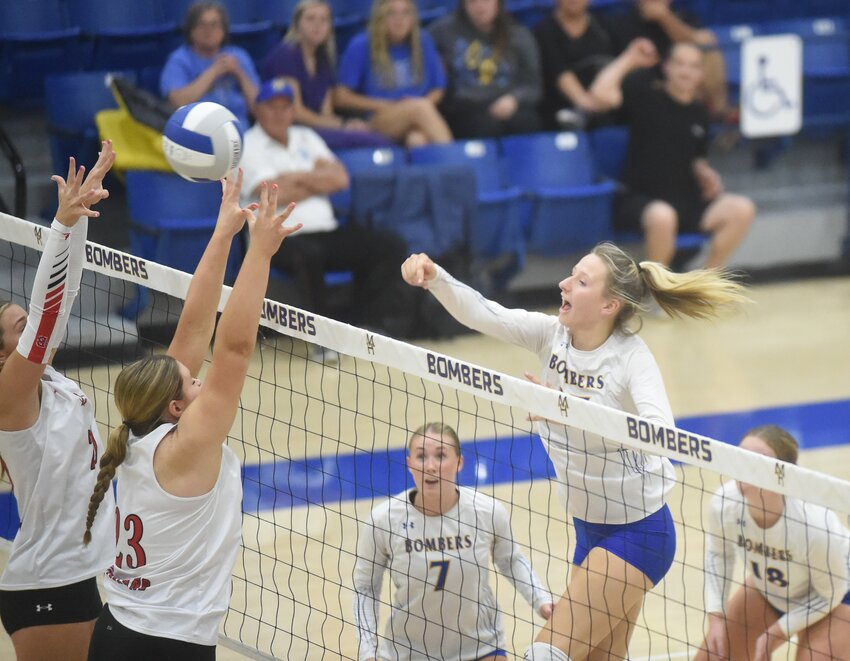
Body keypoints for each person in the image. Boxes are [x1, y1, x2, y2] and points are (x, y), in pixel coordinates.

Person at [400, 243, 749, 661]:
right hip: (589, 531)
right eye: (571, 273)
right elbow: (483, 313)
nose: (564, 283)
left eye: (582, 281)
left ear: (609, 305)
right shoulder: (551, 336)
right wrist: (434, 276)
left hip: (638, 534)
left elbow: (662, 435)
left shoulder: (630, 359)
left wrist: (568, 412)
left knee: (545, 652)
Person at [83, 171, 300, 659]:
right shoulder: (189, 445)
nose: (200, 377)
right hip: (167, 645)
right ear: (176, 407)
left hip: (116, 627)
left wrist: (223, 233)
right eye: (193, 382)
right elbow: (237, 349)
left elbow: (195, 325)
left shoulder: (146, 431)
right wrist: (260, 253)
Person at [0, 143, 115, 660]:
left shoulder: (50, 382)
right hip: (48, 582)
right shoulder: (9, 397)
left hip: (74, 570)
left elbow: (61, 299)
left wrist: (81, 217)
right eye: (17, 330)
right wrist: (62, 224)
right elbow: (47, 319)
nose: (29, 326)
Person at [353, 422, 554, 661]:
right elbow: (365, 586)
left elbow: (511, 560)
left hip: (481, 647)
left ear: (459, 462)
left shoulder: (486, 511)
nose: (430, 466)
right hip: (407, 652)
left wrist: (541, 601)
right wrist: (368, 651)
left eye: (440, 456)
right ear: (409, 464)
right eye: (421, 457)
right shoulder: (384, 519)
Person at [240, 77, 412, 338]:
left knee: (390, 245)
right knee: (308, 255)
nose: (279, 113)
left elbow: (340, 179)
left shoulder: (306, 136)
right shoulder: (247, 144)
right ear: (258, 110)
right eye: (271, 106)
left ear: (293, 110)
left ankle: (361, 325)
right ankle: (322, 337)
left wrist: (293, 177)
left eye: (285, 106)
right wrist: (314, 178)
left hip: (326, 230)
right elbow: (275, 192)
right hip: (279, 239)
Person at [590, 39, 755, 268]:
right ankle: (660, 291)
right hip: (641, 200)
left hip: (687, 201)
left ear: (701, 73)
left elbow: (696, 156)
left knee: (741, 209)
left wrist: (705, 172)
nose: (686, 71)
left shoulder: (699, 113)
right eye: (680, 64)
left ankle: (703, 288)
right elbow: (600, 95)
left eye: (694, 66)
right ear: (667, 67)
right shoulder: (646, 96)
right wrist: (629, 59)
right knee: (663, 216)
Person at [695, 425, 850, 661]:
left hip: (837, 591)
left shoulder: (814, 524)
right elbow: (719, 556)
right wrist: (715, 617)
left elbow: (830, 593)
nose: (745, 467)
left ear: (783, 474)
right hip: (776, 587)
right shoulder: (724, 503)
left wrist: (775, 634)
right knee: (712, 656)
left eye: (757, 460)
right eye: (741, 456)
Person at [260, 0, 394, 150]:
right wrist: (343, 125)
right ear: (297, 25)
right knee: (377, 142)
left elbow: (326, 112)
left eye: (324, 20)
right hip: (293, 130)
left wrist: (348, 125)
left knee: (376, 137)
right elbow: (296, 113)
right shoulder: (285, 55)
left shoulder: (323, 59)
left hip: (317, 130)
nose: (317, 25)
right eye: (310, 19)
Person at [334, 0, 453, 147]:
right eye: (391, 13)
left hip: (419, 115)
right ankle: (460, 162)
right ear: (380, 17)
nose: (399, 20)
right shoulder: (361, 45)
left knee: (417, 140)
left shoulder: (423, 42)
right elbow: (341, 97)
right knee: (418, 108)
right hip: (380, 117)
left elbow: (438, 88)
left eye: (405, 13)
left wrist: (422, 105)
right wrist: (384, 105)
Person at [596, 0, 730, 119]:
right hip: (634, 98)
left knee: (710, 49)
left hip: (682, 97)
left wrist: (665, 18)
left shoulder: (685, 17)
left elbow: (702, 49)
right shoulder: (616, 21)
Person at [429, 0, 543, 139]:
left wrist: (514, 99)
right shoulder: (443, 31)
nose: (480, 6)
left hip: (508, 102)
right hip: (465, 108)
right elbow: (417, 46)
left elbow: (533, 86)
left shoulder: (518, 34)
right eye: (473, 2)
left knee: (526, 122)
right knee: (485, 125)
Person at [160, 1, 260, 127]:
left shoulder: (239, 56)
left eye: (214, 25)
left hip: (240, 131)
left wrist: (239, 73)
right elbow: (178, 103)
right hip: (197, 132)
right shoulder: (179, 60)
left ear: (224, 30)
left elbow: (260, 109)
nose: (209, 31)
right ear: (191, 30)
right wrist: (214, 71)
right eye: (202, 25)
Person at [533, 0, 615, 130]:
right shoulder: (544, 31)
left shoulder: (603, 28)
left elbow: (612, 68)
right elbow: (560, 73)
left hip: (603, 102)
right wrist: (586, 103)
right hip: (560, 107)